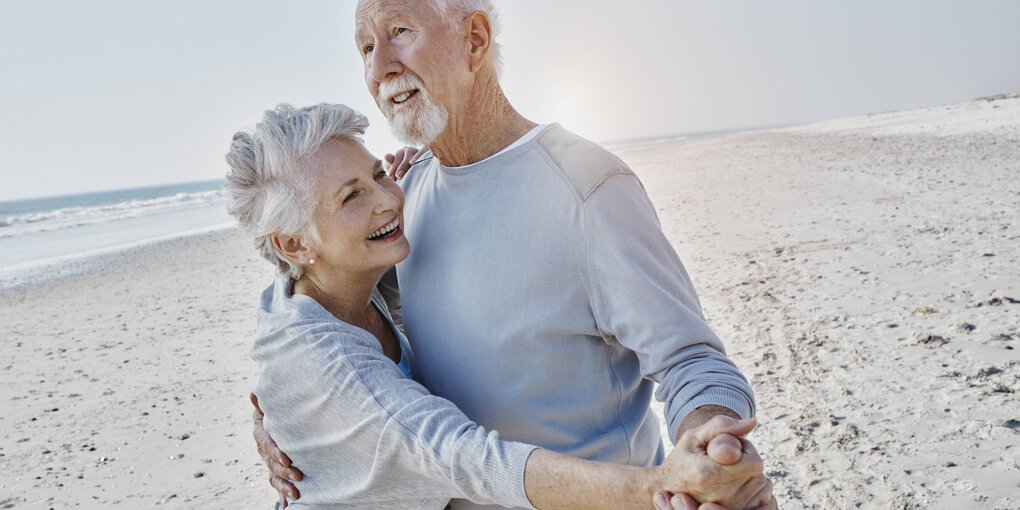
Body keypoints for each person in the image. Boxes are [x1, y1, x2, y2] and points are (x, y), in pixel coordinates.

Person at [254, 1, 778, 508]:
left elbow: (693, 360)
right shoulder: (402, 198)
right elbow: (327, 308)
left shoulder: (587, 188)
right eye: (366, 47)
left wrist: (710, 443)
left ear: (475, 39)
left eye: (399, 33)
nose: (379, 68)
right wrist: (286, 417)